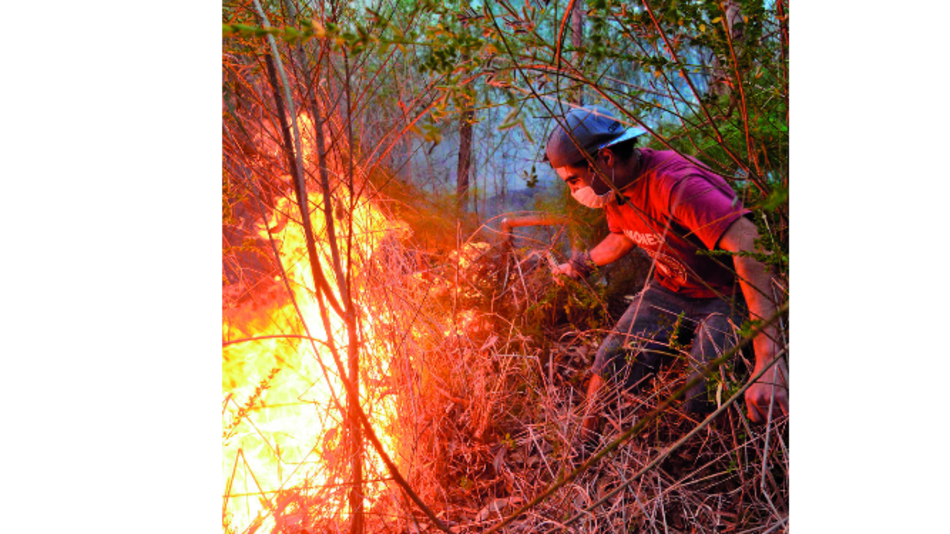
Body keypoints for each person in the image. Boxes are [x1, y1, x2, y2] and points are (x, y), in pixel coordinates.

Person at [543, 106, 790, 442]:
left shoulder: (675, 186)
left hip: (726, 295)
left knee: (703, 390)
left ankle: (705, 462)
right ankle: (583, 450)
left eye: (574, 180)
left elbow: (752, 246)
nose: (574, 191)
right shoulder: (612, 189)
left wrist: (769, 360)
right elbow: (622, 236)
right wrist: (579, 264)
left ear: (605, 157)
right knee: (610, 362)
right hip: (671, 289)